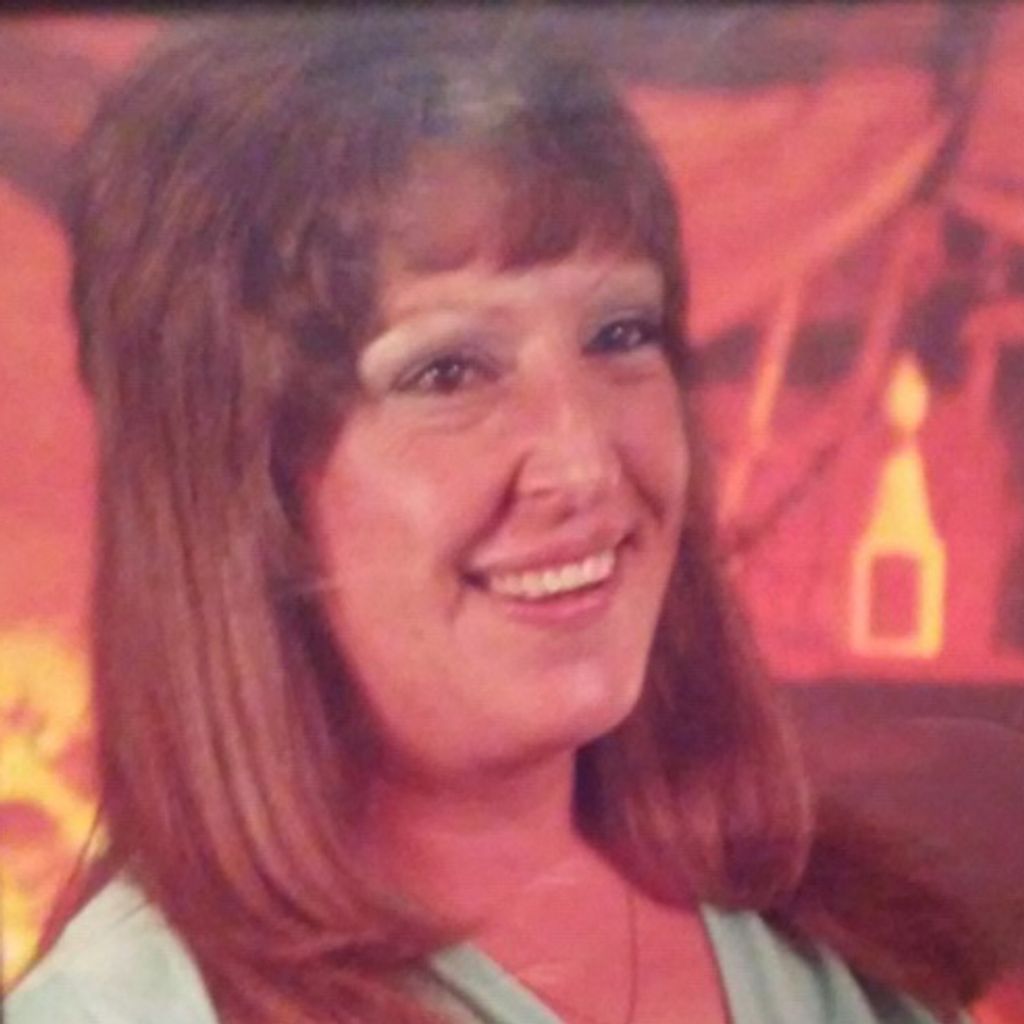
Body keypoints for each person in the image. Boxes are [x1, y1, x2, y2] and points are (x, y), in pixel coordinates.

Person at [6, 12, 995, 1024]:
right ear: (235, 481)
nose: (582, 461)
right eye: (447, 372)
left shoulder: (847, 959)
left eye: (619, 334)